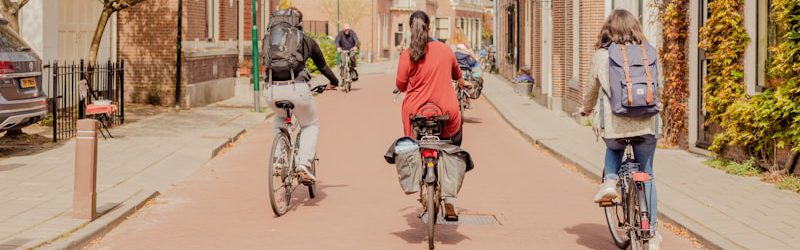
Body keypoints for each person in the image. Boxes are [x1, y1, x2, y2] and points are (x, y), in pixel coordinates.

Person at [579, 9, 661, 249]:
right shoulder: (649, 53)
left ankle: (610, 182)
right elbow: (660, 88)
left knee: (613, 146)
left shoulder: (601, 56)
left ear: (608, 29)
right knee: (649, 175)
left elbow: (590, 91)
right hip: (648, 123)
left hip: (615, 124)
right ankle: (652, 235)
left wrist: (586, 108)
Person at [396, 11, 471, 220]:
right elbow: (457, 75)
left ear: (411, 29)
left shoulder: (407, 55)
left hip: (415, 114)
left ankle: (418, 176)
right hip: (446, 112)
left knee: (413, 143)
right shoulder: (446, 50)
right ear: (431, 28)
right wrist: (463, 83)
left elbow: (401, 84)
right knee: (453, 146)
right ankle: (450, 200)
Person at [263, 7, 339, 182]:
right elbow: (323, 66)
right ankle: (303, 164)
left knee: (280, 119)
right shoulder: (304, 39)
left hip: (271, 90)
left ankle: (279, 160)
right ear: (299, 22)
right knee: (310, 124)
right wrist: (335, 82)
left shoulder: (269, 39)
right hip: (297, 88)